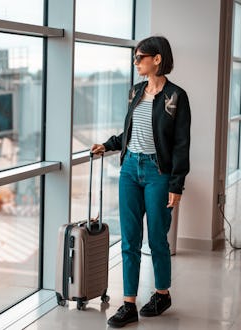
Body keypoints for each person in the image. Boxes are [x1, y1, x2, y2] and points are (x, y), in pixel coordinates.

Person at [91, 36, 191, 328]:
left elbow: (181, 144)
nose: (136, 63)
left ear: (156, 59)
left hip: (158, 174)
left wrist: (177, 184)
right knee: (130, 239)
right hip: (130, 169)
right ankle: (129, 304)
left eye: (140, 58)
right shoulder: (135, 91)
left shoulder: (176, 96)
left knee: (157, 237)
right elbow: (130, 132)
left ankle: (162, 294)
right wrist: (109, 145)